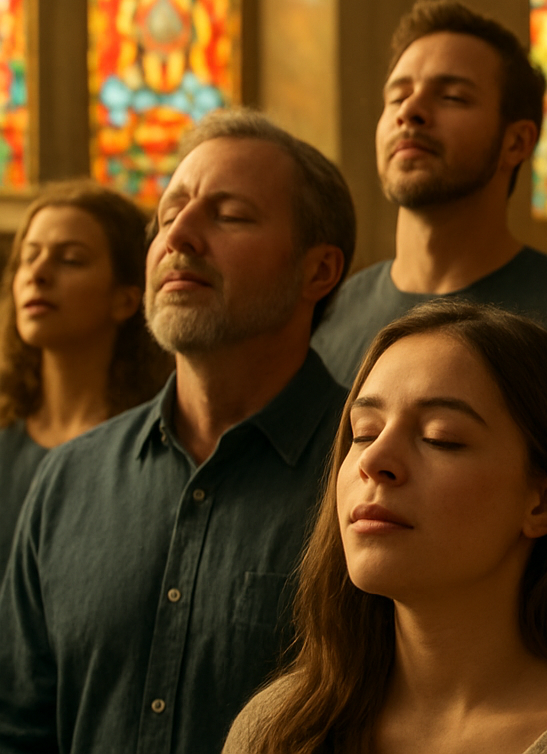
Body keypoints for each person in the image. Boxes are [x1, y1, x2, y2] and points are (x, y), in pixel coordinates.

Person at [0, 110, 355, 754]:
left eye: (230, 215)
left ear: (318, 271)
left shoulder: (368, 471)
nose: (179, 236)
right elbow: (19, 727)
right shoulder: (70, 478)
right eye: (167, 216)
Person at [224, 300, 547, 754]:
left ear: (546, 500)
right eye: (364, 432)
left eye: (441, 438)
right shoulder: (278, 729)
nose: (374, 461)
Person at [313, 0, 547, 384]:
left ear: (516, 143)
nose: (410, 111)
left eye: (452, 97)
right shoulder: (328, 312)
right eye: (397, 96)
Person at [0, 181, 170, 555]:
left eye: (71, 260)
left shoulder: (157, 445)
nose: (37, 274)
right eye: (29, 256)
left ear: (126, 299)